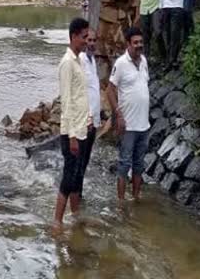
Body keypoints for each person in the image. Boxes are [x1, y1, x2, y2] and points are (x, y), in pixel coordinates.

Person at [54, 18, 91, 226]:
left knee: (77, 177)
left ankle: (75, 215)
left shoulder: (79, 60)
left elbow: (80, 97)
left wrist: (88, 119)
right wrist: (72, 137)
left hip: (82, 128)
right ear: (74, 36)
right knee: (68, 178)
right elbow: (67, 102)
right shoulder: (67, 63)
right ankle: (57, 222)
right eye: (84, 37)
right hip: (72, 133)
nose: (87, 41)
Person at [106, 27, 150, 201]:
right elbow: (110, 90)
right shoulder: (121, 63)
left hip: (144, 125)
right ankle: (121, 202)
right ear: (128, 44)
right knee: (124, 163)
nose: (139, 45)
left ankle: (137, 198)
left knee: (139, 164)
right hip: (128, 125)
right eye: (135, 42)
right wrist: (118, 115)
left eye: (141, 42)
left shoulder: (144, 61)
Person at [78, 29, 101, 183]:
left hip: (94, 120)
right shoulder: (80, 60)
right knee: (80, 159)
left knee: (85, 159)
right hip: (85, 120)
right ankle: (75, 194)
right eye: (89, 40)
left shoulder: (92, 60)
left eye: (94, 40)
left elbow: (93, 90)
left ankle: (78, 195)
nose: (91, 44)